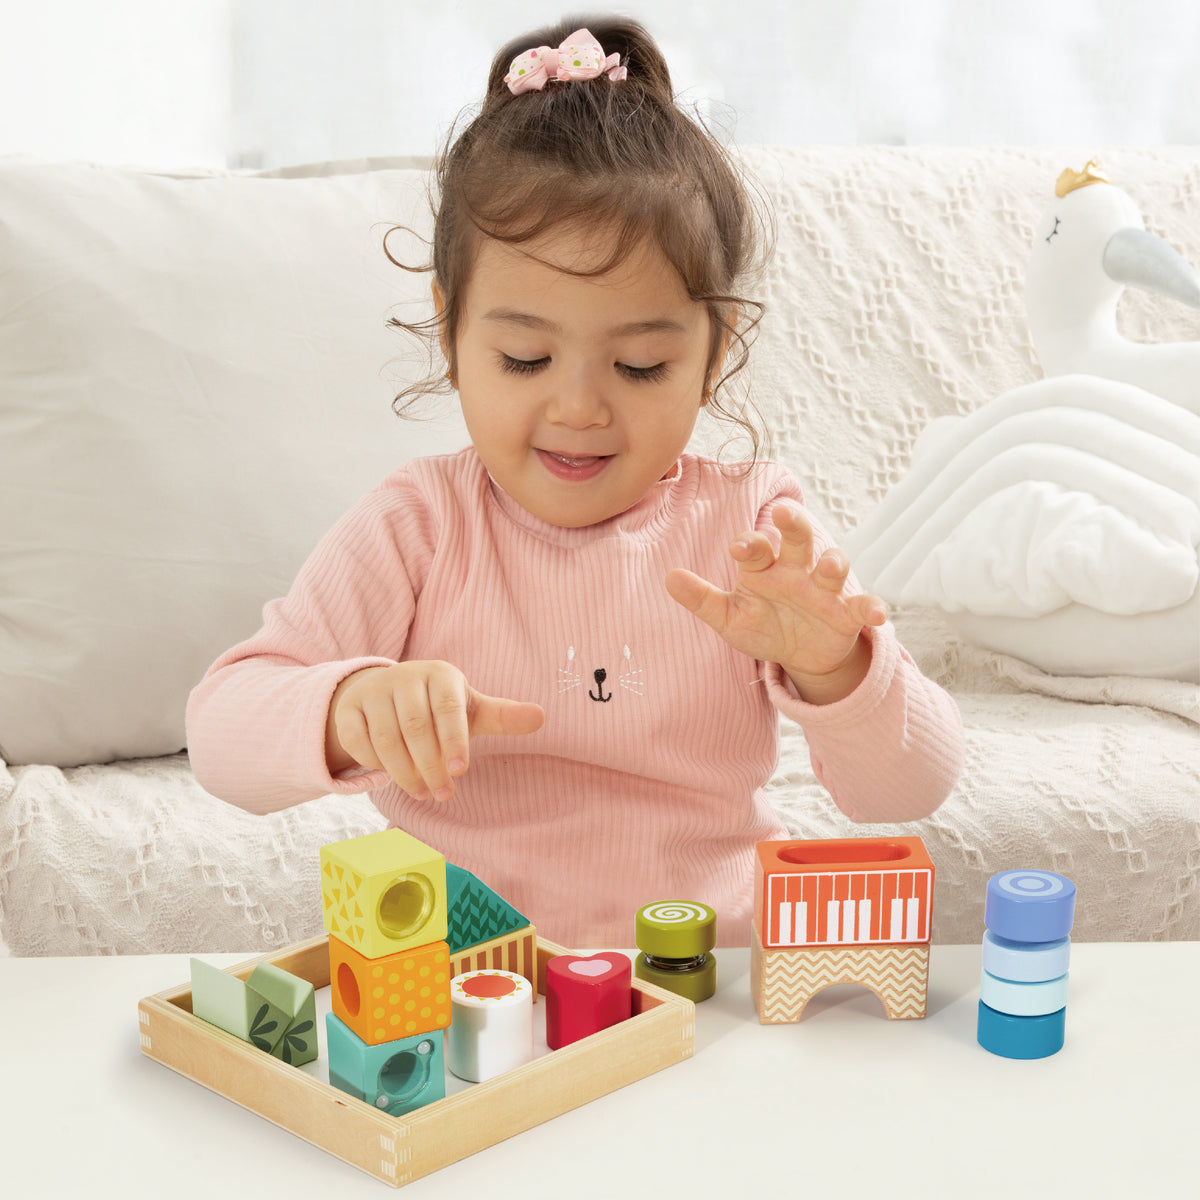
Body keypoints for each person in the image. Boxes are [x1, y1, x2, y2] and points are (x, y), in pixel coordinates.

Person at [187, 18, 963, 948]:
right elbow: (221, 737)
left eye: (639, 367)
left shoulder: (755, 530)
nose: (580, 408)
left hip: (701, 972)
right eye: (525, 358)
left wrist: (836, 670)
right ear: (451, 329)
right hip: (466, 976)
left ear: (713, 355)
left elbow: (912, 787)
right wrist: (347, 708)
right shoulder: (419, 525)